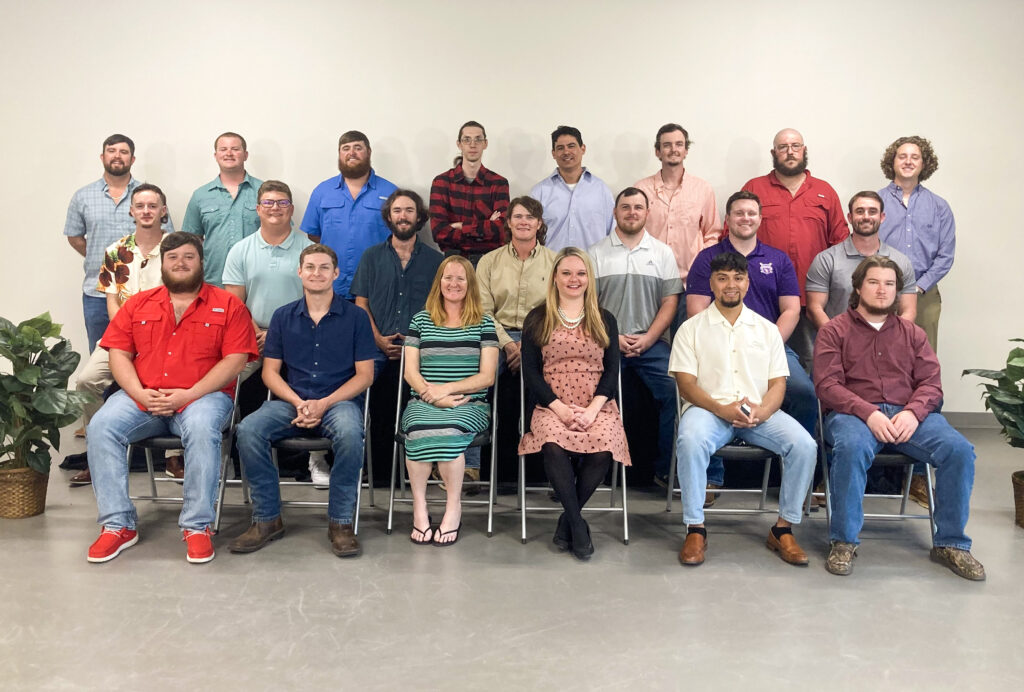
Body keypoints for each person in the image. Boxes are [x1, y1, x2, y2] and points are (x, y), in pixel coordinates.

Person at [85, 232, 258, 564]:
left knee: (203, 429)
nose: (181, 263)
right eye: (173, 257)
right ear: (162, 264)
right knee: (102, 426)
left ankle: (197, 527)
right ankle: (118, 525)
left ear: (201, 262)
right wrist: (138, 393)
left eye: (189, 257)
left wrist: (188, 395)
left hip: (202, 397)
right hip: (144, 395)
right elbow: (118, 354)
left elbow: (236, 360)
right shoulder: (138, 303)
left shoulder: (229, 304)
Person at [814, 255, 984, 581]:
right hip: (853, 414)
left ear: (897, 290)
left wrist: (913, 412)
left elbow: (931, 384)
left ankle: (951, 543)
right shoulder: (834, 331)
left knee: (960, 450)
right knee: (850, 449)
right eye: (874, 282)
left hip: (910, 414)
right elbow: (827, 386)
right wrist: (869, 412)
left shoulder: (913, 333)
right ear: (858, 287)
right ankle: (844, 541)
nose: (882, 290)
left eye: (889, 284)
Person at [230, 244, 377, 558]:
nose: (317, 273)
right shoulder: (283, 317)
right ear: (299, 272)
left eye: (324, 267)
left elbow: (365, 376)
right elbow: (270, 373)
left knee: (352, 434)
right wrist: (299, 402)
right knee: (248, 430)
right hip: (291, 401)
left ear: (336, 274)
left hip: (339, 402)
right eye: (310, 267)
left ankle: (340, 523)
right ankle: (268, 518)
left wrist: (322, 404)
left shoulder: (356, 318)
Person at [670, 251, 816, 567]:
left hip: (758, 412)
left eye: (737, 278)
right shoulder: (691, 328)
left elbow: (778, 384)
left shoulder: (766, 330)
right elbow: (686, 385)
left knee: (805, 445)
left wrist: (763, 411)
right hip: (707, 409)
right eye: (722, 278)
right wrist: (722, 409)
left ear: (747, 283)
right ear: (711, 283)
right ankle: (695, 527)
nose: (730, 285)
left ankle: (783, 528)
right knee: (690, 439)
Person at [686, 191, 817, 505]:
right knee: (712, 392)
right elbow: (696, 310)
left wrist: (768, 344)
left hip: (771, 348)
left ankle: (798, 478)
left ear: (760, 219)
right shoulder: (707, 259)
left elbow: (791, 310)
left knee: (802, 390)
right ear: (728, 219)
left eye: (751, 213)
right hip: (719, 348)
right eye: (738, 213)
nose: (745, 218)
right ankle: (712, 478)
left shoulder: (778, 259)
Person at [518, 248, 630, 560]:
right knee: (552, 444)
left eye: (580, 273)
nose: (573, 279)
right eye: (566, 273)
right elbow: (530, 372)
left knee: (604, 447)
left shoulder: (604, 318)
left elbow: (611, 370)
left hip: (596, 403)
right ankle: (579, 525)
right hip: (551, 404)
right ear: (554, 277)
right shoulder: (537, 318)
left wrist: (594, 408)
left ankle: (569, 517)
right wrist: (560, 408)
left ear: (588, 279)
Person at [71, 184, 175, 486]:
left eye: (153, 206)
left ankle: (173, 457)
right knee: (86, 380)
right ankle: (100, 454)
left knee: (173, 378)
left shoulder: (176, 248)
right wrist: (129, 333)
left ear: (163, 211)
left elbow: (185, 297)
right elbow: (112, 300)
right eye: (140, 206)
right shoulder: (116, 251)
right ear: (131, 211)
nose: (146, 211)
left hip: (167, 337)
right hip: (124, 336)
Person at [399, 256, 498, 546]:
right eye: (447, 277)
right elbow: (410, 372)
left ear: (470, 284)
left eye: (460, 279)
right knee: (417, 427)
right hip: (423, 401)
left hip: (469, 405)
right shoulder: (420, 320)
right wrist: (432, 395)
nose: (453, 284)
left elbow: (487, 377)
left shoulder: (484, 323)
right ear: (438, 282)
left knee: (449, 429)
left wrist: (446, 390)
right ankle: (420, 508)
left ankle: (453, 507)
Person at [589, 187, 681, 486]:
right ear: (615, 213)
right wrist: (611, 338)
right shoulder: (596, 252)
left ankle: (667, 471)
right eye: (625, 207)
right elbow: (588, 305)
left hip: (651, 343)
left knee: (677, 392)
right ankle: (587, 474)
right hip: (604, 342)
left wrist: (649, 338)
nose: (632, 212)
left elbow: (670, 302)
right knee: (580, 391)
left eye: (638, 207)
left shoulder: (663, 253)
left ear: (647, 213)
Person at [741, 128, 847, 365]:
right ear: (773, 152)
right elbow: (734, 238)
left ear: (804, 150)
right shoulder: (754, 189)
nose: (790, 152)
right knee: (758, 361)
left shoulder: (825, 191)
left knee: (812, 364)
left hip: (812, 299)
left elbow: (840, 244)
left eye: (795, 146)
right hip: (762, 297)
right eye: (783, 147)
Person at [65, 134, 175, 353]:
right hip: (97, 294)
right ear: (102, 156)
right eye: (112, 151)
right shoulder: (83, 196)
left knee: (145, 356)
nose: (117, 156)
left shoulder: (147, 197)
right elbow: (74, 236)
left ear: (132, 159)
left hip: (145, 295)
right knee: (101, 357)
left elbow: (168, 240)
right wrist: (107, 259)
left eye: (123, 152)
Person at [634, 123, 721, 332]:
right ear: (657, 151)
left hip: (690, 283)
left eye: (679, 144)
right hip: (651, 281)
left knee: (688, 343)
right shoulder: (641, 189)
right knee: (653, 343)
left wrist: (701, 267)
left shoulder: (703, 189)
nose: (673, 149)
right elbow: (633, 232)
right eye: (667, 145)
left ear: (686, 150)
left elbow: (713, 233)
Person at [878, 135, 954, 352]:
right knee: (880, 358)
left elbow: (945, 256)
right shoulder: (875, 203)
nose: (908, 161)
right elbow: (864, 247)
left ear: (924, 163)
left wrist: (918, 286)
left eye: (915, 157)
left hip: (925, 294)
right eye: (902, 156)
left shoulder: (939, 207)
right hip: (882, 293)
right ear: (892, 162)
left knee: (923, 360)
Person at [301, 130, 398, 298]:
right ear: (339, 154)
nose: (351, 153)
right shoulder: (322, 191)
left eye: (358, 147)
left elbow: (399, 236)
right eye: (346, 148)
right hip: (332, 285)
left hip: (376, 285)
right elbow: (313, 234)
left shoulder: (390, 192)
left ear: (369, 152)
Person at [352, 189, 444, 365]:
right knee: (357, 384)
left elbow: (441, 308)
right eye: (397, 210)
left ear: (418, 217)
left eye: (409, 210)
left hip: (422, 349)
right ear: (388, 216)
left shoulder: (436, 261)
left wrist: (415, 343)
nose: (403, 216)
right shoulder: (371, 256)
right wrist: (378, 340)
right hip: (374, 347)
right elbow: (361, 304)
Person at [806, 191, 917, 328]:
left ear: (882, 217)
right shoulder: (826, 259)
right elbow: (814, 308)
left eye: (872, 212)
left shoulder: (901, 262)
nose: (866, 217)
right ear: (850, 217)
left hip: (886, 344)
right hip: (839, 343)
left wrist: (892, 339)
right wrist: (835, 339)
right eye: (860, 211)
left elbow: (908, 310)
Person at [181, 132, 263, 287]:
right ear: (216, 155)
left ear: (245, 155)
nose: (229, 153)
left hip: (257, 279)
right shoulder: (201, 195)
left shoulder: (264, 191)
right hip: (214, 280)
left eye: (235, 149)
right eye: (223, 149)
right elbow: (190, 241)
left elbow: (279, 232)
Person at [429, 121, 510, 264]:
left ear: (485, 144)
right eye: (467, 139)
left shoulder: (499, 183)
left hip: (489, 262)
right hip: (453, 261)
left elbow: (502, 231)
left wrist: (459, 226)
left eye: (478, 139)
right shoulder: (442, 182)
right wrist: (485, 226)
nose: (473, 144)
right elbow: (438, 232)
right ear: (459, 144)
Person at [530, 125, 614, 252]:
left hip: (592, 267)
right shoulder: (539, 192)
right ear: (553, 153)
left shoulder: (601, 190)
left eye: (571, 146)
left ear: (583, 148)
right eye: (560, 148)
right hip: (552, 267)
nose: (566, 152)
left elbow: (612, 231)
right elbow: (530, 235)